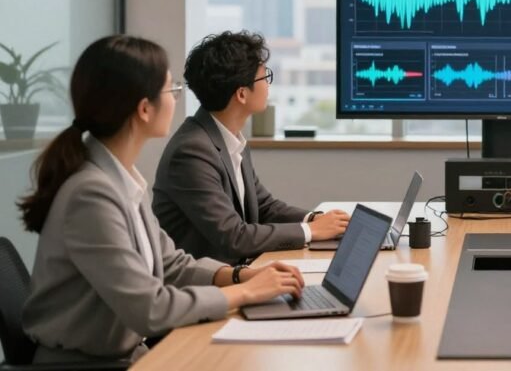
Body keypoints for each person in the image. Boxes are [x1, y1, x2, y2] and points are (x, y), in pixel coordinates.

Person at [17, 35, 304, 364]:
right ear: (143, 109)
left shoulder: (120, 179)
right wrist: (245, 293)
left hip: (128, 355)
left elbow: (172, 265)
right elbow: (150, 309)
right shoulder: (91, 195)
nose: (177, 99)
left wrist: (240, 276)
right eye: (171, 90)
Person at [153, 31, 348, 264]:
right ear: (242, 94)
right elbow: (234, 236)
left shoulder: (228, 138)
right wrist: (312, 232)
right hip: (205, 286)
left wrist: (315, 219)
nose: (268, 85)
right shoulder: (191, 153)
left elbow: (264, 206)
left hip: (237, 273)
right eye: (264, 77)